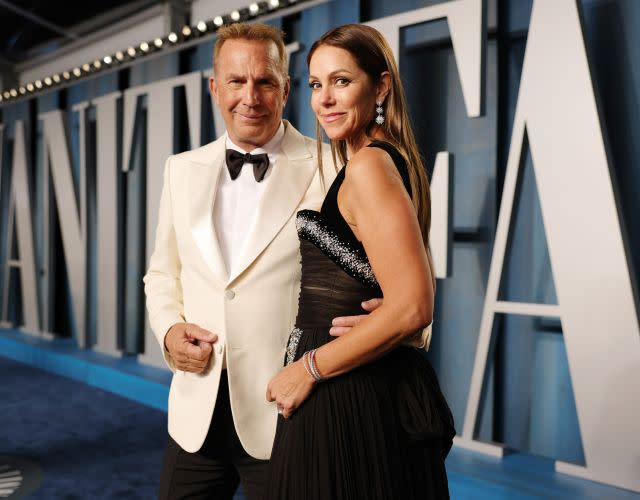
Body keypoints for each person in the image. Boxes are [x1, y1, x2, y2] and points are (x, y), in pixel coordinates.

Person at [143, 23, 379, 500]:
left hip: (292, 410)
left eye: (265, 82)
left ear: (286, 89)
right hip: (196, 412)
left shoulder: (334, 165)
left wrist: (377, 325)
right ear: (214, 87)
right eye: (236, 81)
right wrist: (169, 331)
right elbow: (162, 273)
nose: (250, 97)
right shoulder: (180, 169)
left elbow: (392, 282)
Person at [265, 24, 456, 499]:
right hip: (352, 386)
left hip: (343, 397)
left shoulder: (370, 166)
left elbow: (413, 306)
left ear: (382, 86)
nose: (325, 99)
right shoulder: (382, 161)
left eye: (342, 81)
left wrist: (306, 368)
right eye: (315, 84)